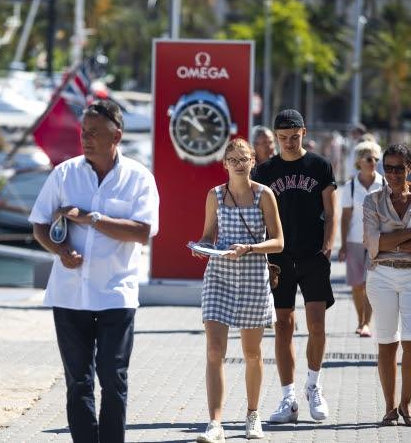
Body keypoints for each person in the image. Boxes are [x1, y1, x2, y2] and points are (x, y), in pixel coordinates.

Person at [29, 100, 159, 443]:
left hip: (116, 293)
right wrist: (59, 250)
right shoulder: (64, 173)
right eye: (83, 132)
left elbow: (142, 231)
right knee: (78, 381)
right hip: (69, 293)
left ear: (116, 135)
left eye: (94, 133)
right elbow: (39, 224)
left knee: (113, 378)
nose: (85, 139)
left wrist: (92, 219)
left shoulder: (138, 178)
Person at [191, 138, 283, 442]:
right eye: (232, 159)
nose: (238, 163)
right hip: (219, 276)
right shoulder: (214, 195)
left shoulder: (264, 195)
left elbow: (279, 242)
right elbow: (207, 236)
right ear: (225, 164)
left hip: (254, 276)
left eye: (243, 158)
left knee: (252, 353)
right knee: (215, 350)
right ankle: (215, 423)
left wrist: (250, 248)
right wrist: (201, 248)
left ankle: (252, 415)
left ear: (253, 161)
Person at [252, 109, 337, 424]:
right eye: (283, 137)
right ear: (276, 137)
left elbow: (331, 210)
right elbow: (256, 213)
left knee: (317, 325)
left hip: (313, 255)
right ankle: (288, 398)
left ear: (304, 133)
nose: (288, 142)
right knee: (283, 325)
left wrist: (329, 244)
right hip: (278, 257)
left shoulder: (319, 166)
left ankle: (313, 387)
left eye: (294, 137)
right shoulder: (265, 171)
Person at [362, 143, 411, 427]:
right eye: (388, 168)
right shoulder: (372, 200)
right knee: (386, 342)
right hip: (381, 275)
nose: (393, 174)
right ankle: (389, 406)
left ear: (410, 168)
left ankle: (407, 403)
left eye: (399, 168)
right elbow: (372, 243)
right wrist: (410, 234)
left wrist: (390, 240)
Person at [338, 140, 385, 338]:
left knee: (371, 285)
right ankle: (360, 320)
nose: (373, 161)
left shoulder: (383, 184)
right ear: (359, 161)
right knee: (357, 285)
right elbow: (345, 217)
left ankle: (366, 323)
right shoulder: (350, 186)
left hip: (377, 242)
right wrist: (342, 245)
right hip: (354, 241)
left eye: (376, 158)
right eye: (368, 158)